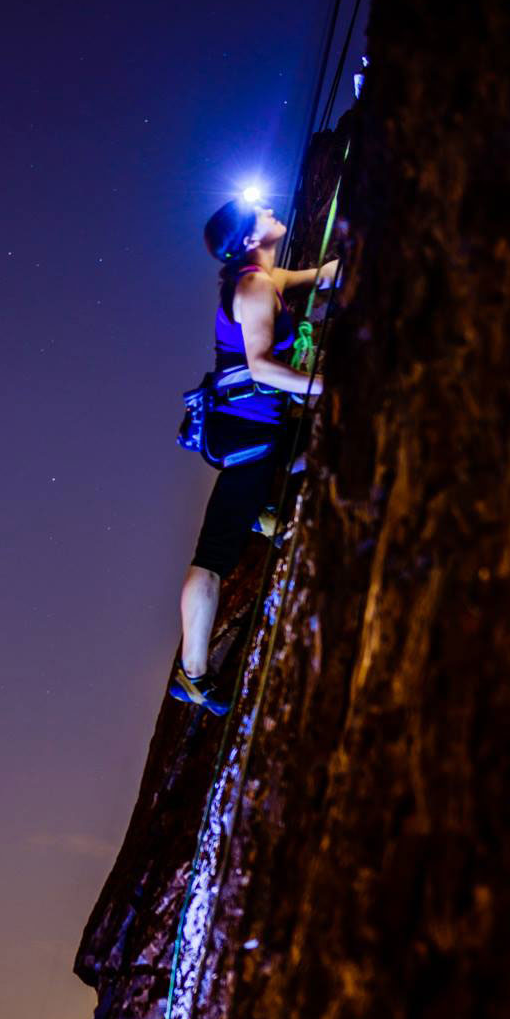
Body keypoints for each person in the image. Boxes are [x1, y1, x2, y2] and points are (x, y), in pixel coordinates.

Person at [171, 196, 338, 714]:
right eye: (258, 212)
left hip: (256, 431)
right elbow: (262, 369)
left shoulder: (265, 276)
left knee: (312, 445)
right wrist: (326, 385)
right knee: (213, 557)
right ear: (247, 239)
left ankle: (262, 510)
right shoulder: (253, 286)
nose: (269, 208)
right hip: (249, 438)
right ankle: (192, 674)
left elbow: (316, 276)